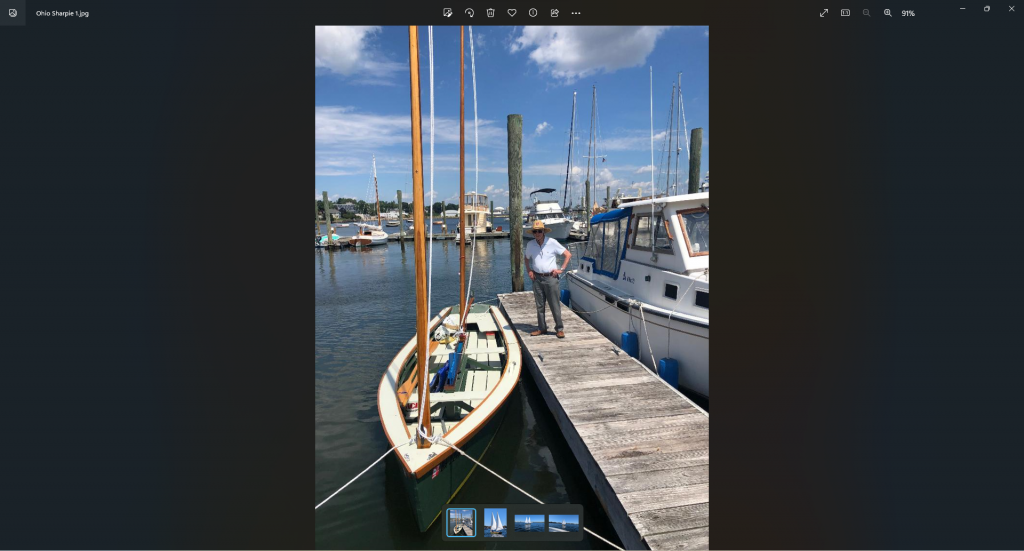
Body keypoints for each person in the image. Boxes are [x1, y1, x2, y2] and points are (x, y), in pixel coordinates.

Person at [524, 220, 572, 338]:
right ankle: (542, 328)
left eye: (539, 231)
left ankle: (559, 329)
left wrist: (561, 269)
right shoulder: (530, 244)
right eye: (535, 231)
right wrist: (529, 271)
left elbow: (568, 255)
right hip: (537, 278)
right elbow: (526, 258)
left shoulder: (552, 242)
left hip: (551, 278)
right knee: (539, 305)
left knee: (554, 304)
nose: (537, 233)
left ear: (543, 232)